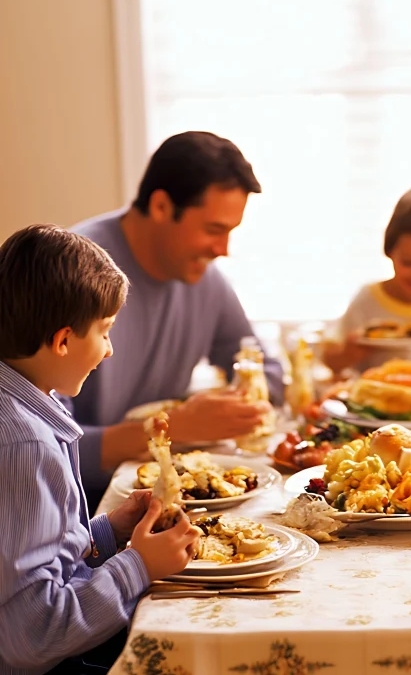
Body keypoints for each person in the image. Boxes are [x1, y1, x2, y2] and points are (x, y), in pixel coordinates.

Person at [0, 224, 198, 675]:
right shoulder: (22, 442)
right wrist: (139, 566)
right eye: (105, 332)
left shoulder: (27, 404)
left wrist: (108, 531)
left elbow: (26, 559)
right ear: (64, 340)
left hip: (35, 669)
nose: (109, 349)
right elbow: (31, 630)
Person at [69, 131, 283, 506]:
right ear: (162, 206)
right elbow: (38, 447)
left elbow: (269, 372)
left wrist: (236, 403)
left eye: (231, 232)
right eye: (214, 230)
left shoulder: (205, 280)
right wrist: (175, 426)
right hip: (81, 515)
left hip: (161, 495)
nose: (223, 250)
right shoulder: (73, 273)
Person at [322, 187, 411, 374]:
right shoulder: (366, 300)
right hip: (371, 396)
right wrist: (347, 354)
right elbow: (329, 360)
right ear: (390, 250)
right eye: (408, 263)